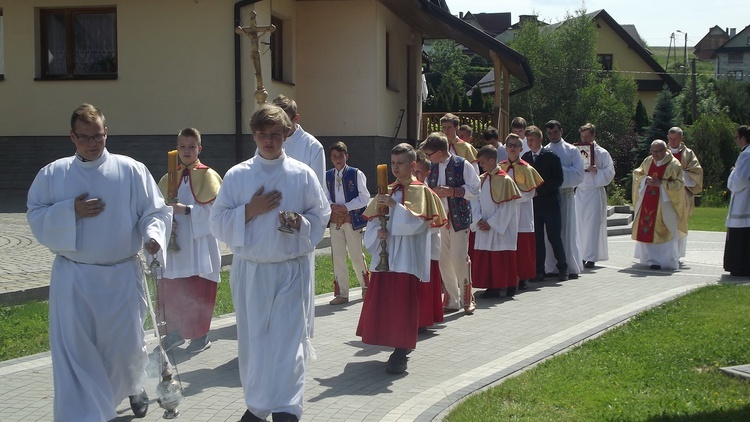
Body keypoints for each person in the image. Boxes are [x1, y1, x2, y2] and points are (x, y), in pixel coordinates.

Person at [27, 103, 171, 421]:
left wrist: (153, 237)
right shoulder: (54, 174)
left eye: (99, 136)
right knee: (77, 352)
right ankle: (86, 413)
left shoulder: (130, 170)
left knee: (126, 348)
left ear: (106, 132)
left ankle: (134, 386)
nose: (94, 143)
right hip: (74, 279)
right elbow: (35, 214)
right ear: (72, 137)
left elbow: (155, 210)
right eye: (86, 137)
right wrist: (69, 212)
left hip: (120, 275)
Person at [209, 104, 330, 422]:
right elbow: (217, 222)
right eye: (262, 134)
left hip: (291, 271)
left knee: (289, 343)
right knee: (257, 343)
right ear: (254, 135)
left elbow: (320, 217)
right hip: (252, 272)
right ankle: (259, 407)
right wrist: (250, 209)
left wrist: (299, 223)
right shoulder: (238, 176)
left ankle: (287, 408)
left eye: (275, 134)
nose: (269, 140)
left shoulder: (302, 174)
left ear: (286, 135)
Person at [356, 142, 446, 374]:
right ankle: (391, 343)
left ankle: (401, 352)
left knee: (404, 304)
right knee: (387, 304)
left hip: (407, 257)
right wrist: (379, 232)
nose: (396, 168)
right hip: (386, 257)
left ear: (413, 165)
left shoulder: (422, 191)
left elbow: (417, 224)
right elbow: (374, 219)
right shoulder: (386, 190)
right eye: (393, 163)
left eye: (401, 163)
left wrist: (395, 207)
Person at [156, 127, 223, 353]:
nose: (186, 151)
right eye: (182, 147)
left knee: (197, 287)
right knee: (174, 288)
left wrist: (186, 211)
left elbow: (216, 213)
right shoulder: (168, 178)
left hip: (198, 243)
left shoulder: (209, 176)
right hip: (175, 244)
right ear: (176, 149)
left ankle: (200, 336)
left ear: (199, 149)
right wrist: (167, 220)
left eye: (191, 147)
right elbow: (157, 210)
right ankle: (174, 334)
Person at [421, 132, 481, 314]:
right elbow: (423, 186)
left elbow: (475, 188)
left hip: (459, 217)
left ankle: (467, 297)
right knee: (442, 258)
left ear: (440, 152)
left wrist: (453, 191)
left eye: (430, 154)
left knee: (459, 258)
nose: (428, 158)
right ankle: (452, 299)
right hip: (439, 219)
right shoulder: (431, 166)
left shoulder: (461, 164)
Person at [471, 145, 522, 298]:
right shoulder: (482, 179)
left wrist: (492, 222)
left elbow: (508, 206)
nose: (480, 165)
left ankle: (510, 283)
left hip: (501, 226)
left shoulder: (505, 180)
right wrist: (478, 219)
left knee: (502, 255)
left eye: (482, 162)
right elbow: (474, 201)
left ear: (492, 160)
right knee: (487, 257)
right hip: (484, 224)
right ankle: (491, 286)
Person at [325, 141, 370, 305]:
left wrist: (346, 207)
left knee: (356, 254)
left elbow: (364, 197)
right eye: (334, 157)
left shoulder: (356, 173)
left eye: (341, 156)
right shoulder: (327, 175)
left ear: (346, 156)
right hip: (335, 220)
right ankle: (342, 293)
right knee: (338, 256)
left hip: (351, 219)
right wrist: (332, 206)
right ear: (331, 158)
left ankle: (365, 286)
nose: (338, 160)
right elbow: (324, 195)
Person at [521, 125, 568, 281]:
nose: (530, 143)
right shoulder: (526, 158)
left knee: (554, 236)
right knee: (537, 239)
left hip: (550, 204)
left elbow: (558, 180)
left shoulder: (551, 156)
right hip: (534, 205)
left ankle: (563, 268)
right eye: (528, 140)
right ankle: (538, 270)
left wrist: (539, 191)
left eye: (532, 140)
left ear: (540, 139)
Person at [499, 133, 544, 290]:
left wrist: (512, 198)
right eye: (509, 145)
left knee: (523, 245)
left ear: (520, 148)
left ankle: (522, 276)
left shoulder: (527, 168)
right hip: (506, 212)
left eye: (515, 146)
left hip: (522, 211)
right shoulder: (500, 168)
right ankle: (508, 277)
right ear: (505, 148)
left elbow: (531, 192)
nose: (512, 148)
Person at [632, 140, 685, 270]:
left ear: (664, 150)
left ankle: (666, 260)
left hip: (664, 203)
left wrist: (661, 184)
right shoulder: (648, 161)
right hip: (648, 201)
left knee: (664, 228)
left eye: (658, 151)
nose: (655, 154)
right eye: (653, 151)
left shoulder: (674, 164)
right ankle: (649, 259)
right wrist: (645, 180)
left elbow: (679, 184)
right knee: (646, 227)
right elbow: (637, 173)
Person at [543, 120, 585, 278]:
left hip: (566, 194)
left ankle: (570, 265)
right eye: (549, 133)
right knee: (550, 233)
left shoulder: (572, 150)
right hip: (550, 196)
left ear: (561, 130)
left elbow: (579, 174)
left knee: (567, 230)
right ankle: (551, 266)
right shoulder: (545, 151)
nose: (552, 135)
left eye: (555, 132)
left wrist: (557, 172)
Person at [575, 123, 615, 268]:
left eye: (587, 136)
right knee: (580, 224)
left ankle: (591, 257)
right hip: (580, 192)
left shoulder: (602, 153)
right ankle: (580, 254)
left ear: (593, 135)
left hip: (594, 191)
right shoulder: (577, 151)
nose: (584, 139)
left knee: (592, 225)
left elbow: (610, 172)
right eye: (582, 136)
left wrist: (597, 171)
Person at [413, 150, 445, 330]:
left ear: (427, 173)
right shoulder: (407, 191)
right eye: (413, 171)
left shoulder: (430, 194)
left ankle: (424, 320)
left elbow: (437, 222)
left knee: (426, 281)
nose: (415, 175)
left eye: (419, 172)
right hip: (411, 246)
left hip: (427, 246)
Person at [272, 94, 326, 187]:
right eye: (275, 122)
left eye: (285, 122)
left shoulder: (313, 147)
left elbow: (316, 188)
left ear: (296, 118)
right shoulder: (267, 143)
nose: (280, 127)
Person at [667, 126, 703, 255]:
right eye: (670, 139)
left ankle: (677, 253)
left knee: (679, 223)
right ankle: (665, 252)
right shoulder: (662, 152)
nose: (672, 142)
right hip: (665, 194)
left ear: (681, 138)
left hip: (682, 195)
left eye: (675, 139)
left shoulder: (688, 154)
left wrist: (678, 173)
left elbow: (696, 174)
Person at [723, 125, 750, 277]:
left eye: (736, 137)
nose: (735, 140)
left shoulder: (746, 155)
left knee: (740, 236)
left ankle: (739, 267)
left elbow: (739, 182)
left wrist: (733, 173)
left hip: (744, 202)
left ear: (743, 138)